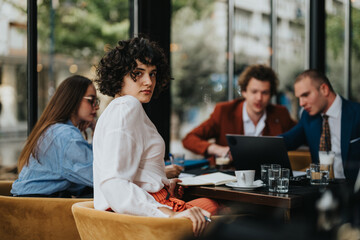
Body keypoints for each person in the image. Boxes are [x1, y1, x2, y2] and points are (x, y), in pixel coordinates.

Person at [93, 37, 219, 237]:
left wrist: (162, 182)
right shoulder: (127, 107)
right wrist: (166, 214)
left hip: (136, 211)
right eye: (138, 74)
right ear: (118, 77)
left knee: (216, 210)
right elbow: (113, 182)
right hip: (144, 215)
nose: (148, 81)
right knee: (224, 211)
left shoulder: (115, 110)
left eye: (152, 74)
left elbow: (129, 171)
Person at [182, 64, 296, 162]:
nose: (259, 98)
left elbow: (302, 133)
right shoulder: (224, 111)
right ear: (244, 92)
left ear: (271, 94)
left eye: (265, 92)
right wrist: (218, 149)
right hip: (229, 178)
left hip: (266, 180)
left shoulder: (280, 114)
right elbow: (189, 139)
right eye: (254, 91)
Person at [11, 75, 98, 197]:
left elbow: (79, 183)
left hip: (26, 204)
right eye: (91, 100)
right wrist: (99, 135)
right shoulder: (66, 136)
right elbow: (98, 177)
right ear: (73, 99)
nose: (97, 106)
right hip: (38, 209)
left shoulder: (54, 129)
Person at [281, 69, 360, 181]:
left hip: (353, 193)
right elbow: (287, 140)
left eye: (305, 95)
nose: (301, 103)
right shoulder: (308, 117)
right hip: (320, 191)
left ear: (324, 89)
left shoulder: (357, 113)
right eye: (299, 98)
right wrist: (258, 144)